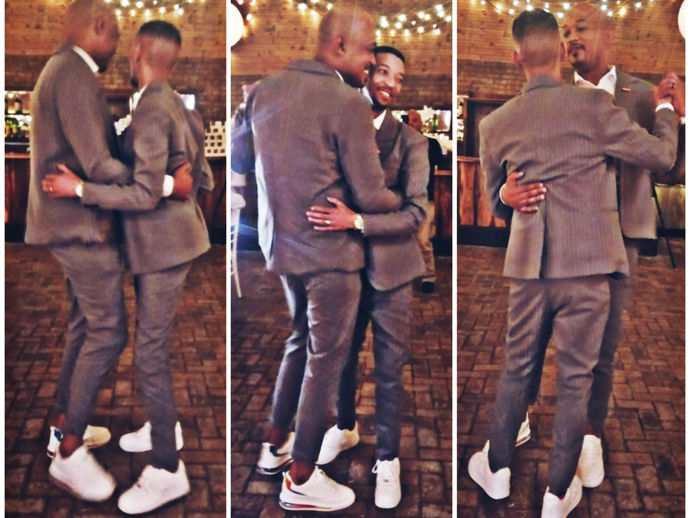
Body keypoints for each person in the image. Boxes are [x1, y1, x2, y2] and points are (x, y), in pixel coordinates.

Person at [466, 9, 679, 518]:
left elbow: (495, 203)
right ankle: (558, 493)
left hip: (529, 271)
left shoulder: (495, 123)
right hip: (590, 268)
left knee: (517, 368)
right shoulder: (595, 107)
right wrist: (667, 109)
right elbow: (662, 158)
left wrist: (506, 196)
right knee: (577, 379)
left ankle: (496, 470)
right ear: (561, 51)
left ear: (515, 57)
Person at [231, 5, 402, 513]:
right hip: (331, 254)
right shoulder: (346, 102)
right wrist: (404, 203)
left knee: (299, 343)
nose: (370, 61)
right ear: (340, 44)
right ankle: (302, 475)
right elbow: (370, 195)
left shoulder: (263, 90)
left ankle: (275, 445)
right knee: (325, 361)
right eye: (368, 49)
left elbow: (240, 160)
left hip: (281, 248)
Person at [43, 20, 211, 514]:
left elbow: (143, 193)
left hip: (163, 248)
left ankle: (167, 469)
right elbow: (199, 175)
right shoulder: (175, 103)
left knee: (150, 353)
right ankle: (162, 428)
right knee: (149, 347)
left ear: (137, 51)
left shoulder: (154, 107)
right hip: (171, 244)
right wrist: (175, 185)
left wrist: (79, 189)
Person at [305, 45, 428, 509]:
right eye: (383, 72)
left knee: (390, 369)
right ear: (365, 72)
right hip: (341, 267)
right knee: (341, 358)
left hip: (393, 270)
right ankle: (344, 427)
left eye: (399, 77)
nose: (390, 83)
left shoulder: (411, 142)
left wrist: (356, 220)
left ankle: (388, 458)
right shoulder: (335, 128)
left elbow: (415, 214)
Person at [407, 109, 443, 293]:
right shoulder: (397, 145)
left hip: (424, 200)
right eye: (408, 120)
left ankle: (428, 276)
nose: (411, 123)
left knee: (423, 240)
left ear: (420, 122)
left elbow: (441, 163)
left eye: (415, 120)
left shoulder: (431, 143)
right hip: (402, 201)